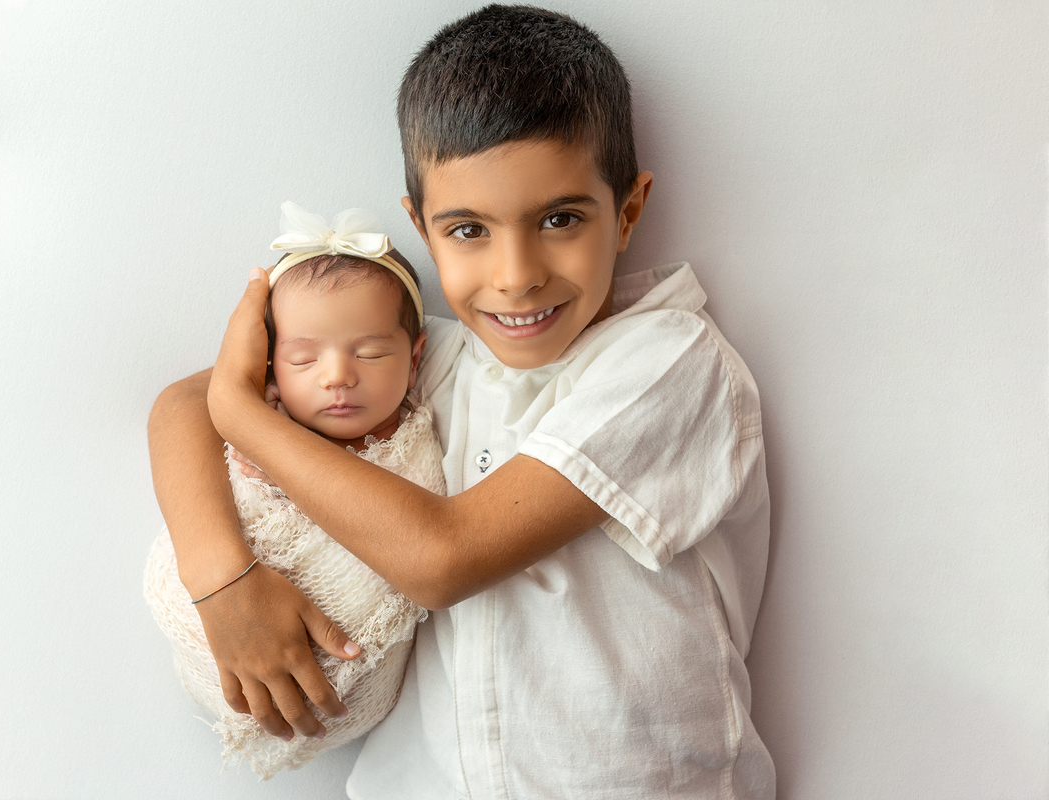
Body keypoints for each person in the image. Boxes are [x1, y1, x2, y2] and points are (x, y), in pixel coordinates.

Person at [148, 5, 776, 798]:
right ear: (421, 226)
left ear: (628, 211)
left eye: (559, 219)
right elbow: (184, 404)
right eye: (469, 230)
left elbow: (441, 561)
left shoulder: (670, 363)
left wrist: (242, 415)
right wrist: (221, 578)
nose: (516, 276)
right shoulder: (427, 357)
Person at [144, 203, 444, 778]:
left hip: (359, 683)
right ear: (270, 367)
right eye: (304, 358)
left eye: (371, 352)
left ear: (415, 357)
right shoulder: (263, 419)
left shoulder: (417, 440)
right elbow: (198, 423)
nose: (337, 376)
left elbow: (416, 537)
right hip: (225, 617)